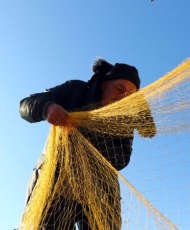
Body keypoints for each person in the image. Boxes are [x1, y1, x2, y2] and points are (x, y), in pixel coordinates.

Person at [19, 58, 156, 229]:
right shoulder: (75, 90)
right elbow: (25, 105)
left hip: (101, 193)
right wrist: (47, 107)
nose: (122, 97)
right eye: (119, 89)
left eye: (129, 96)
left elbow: (122, 159)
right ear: (105, 83)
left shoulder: (124, 120)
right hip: (56, 183)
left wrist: (85, 132)